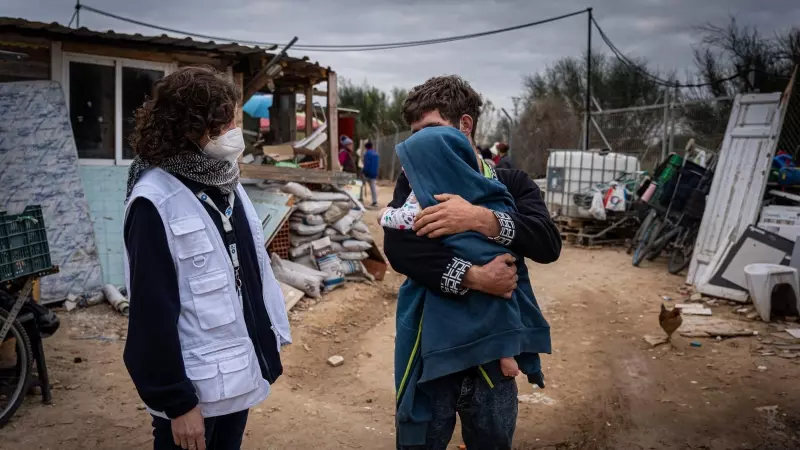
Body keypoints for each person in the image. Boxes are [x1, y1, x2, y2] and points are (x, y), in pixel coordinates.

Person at [383, 75, 561, 450]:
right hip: (432, 350)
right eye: (414, 134)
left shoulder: (511, 182)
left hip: (493, 356)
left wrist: (481, 219)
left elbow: (547, 243)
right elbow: (400, 249)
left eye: (430, 129)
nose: (420, 143)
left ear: (464, 125)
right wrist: (474, 277)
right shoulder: (415, 184)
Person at [123, 66, 291, 450]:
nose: (234, 131)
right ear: (187, 127)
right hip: (193, 396)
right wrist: (178, 404)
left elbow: (248, 273)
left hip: (235, 376)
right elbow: (151, 313)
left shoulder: (224, 180)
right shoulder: (154, 201)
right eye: (222, 123)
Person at [362, 141, 380, 207]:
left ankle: (359, 199)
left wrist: (364, 172)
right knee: (373, 188)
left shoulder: (367, 154)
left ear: (366, 147)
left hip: (367, 173)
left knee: (360, 185)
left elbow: (366, 164)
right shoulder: (376, 154)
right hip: (374, 174)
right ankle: (374, 201)